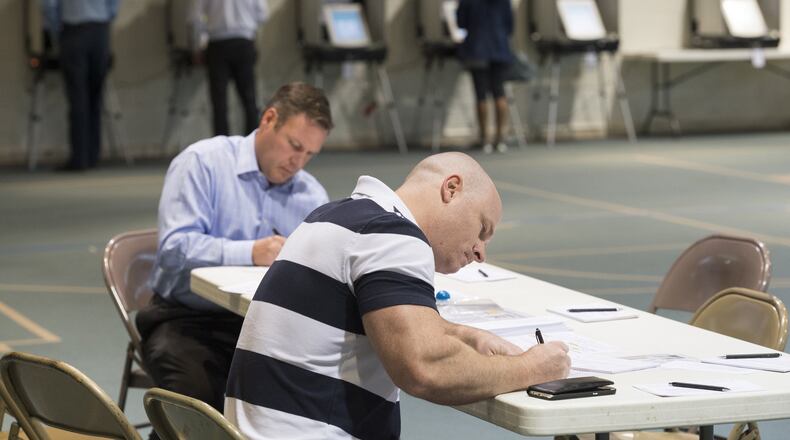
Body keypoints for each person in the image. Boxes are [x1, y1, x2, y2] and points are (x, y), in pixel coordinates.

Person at [225, 152, 571, 439]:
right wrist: (530, 367)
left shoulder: (338, 216)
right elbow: (425, 369)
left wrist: (463, 335)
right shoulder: (392, 234)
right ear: (451, 189)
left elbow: (367, 314)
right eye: (482, 229)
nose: (481, 252)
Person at [137, 82, 333, 416]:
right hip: (186, 320)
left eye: (309, 154)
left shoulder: (312, 196)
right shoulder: (202, 163)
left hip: (264, 328)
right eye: (294, 145)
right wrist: (250, 253)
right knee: (198, 407)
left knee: (318, 400)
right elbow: (174, 249)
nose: (297, 162)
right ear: (269, 119)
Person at [41, 0, 119, 170]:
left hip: (73, 31)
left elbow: (49, 5)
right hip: (100, 31)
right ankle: (93, 155)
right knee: (95, 97)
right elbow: (114, 3)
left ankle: (79, 158)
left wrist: (56, 31)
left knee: (78, 99)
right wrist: (107, 18)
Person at [190, 0, 269, 136]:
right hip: (244, 42)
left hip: (217, 44)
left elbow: (194, 17)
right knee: (249, 99)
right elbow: (263, 15)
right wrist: (247, 26)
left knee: (219, 102)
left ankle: (221, 148)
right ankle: (252, 146)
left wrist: (199, 43)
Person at [457, 0, 513, 154]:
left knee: (481, 95)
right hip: (500, 47)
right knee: (500, 93)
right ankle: (500, 138)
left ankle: (484, 139)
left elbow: (461, 22)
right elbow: (509, 25)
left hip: (477, 49)